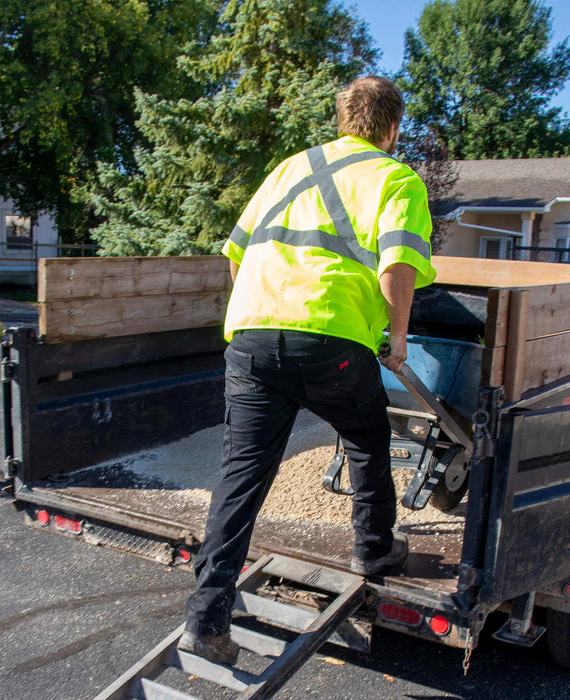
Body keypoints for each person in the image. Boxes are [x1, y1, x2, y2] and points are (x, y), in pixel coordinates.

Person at [178, 75, 436, 665]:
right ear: (392, 128)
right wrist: (395, 339)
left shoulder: (288, 169)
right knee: (368, 437)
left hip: (250, 333)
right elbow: (398, 262)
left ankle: (206, 622)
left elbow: (238, 251)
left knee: (241, 475)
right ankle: (372, 550)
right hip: (330, 337)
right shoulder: (396, 177)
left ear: (343, 120)